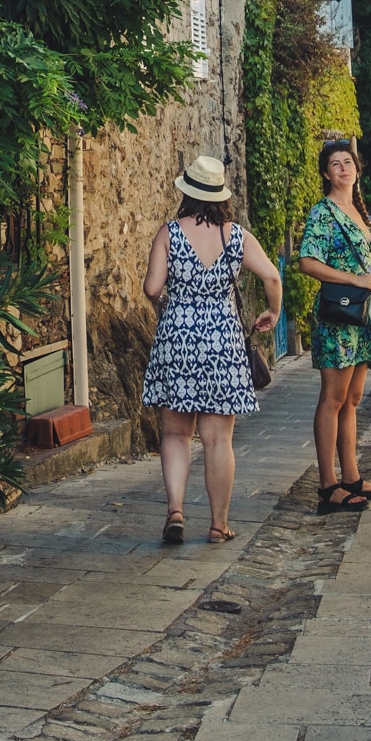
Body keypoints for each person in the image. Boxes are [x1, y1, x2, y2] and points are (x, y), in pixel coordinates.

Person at [141, 155, 282, 545]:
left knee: (175, 433)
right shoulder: (236, 236)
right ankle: (219, 525)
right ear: (221, 195)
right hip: (223, 340)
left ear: (187, 191)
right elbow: (272, 275)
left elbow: (152, 288)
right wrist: (273, 311)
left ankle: (175, 511)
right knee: (218, 439)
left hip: (178, 337)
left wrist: (172, 303)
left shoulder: (169, 233)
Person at [298, 139, 371, 514]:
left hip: (362, 316)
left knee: (352, 399)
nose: (344, 168)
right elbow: (307, 262)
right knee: (332, 399)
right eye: (335, 164)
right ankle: (327, 485)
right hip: (338, 315)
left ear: (356, 169)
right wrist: (353, 280)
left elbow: (363, 263)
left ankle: (351, 476)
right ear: (326, 173)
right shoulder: (323, 212)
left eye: (348, 162)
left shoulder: (358, 211)